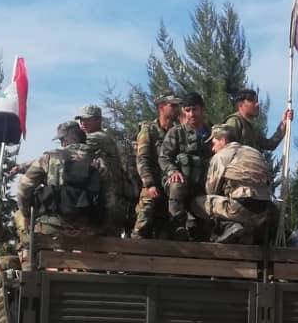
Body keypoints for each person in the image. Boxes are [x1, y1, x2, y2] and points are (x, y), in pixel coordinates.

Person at [14, 121, 106, 242]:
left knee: (19, 219)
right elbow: (108, 198)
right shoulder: (99, 161)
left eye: (62, 139)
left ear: (67, 139)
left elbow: (23, 188)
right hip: (88, 231)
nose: (62, 144)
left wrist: (26, 215)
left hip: (52, 228)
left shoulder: (48, 158)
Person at [199, 124, 273, 243]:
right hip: (264, 209)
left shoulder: (222, 155)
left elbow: (211, 190)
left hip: (239, 207)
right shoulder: (254, 152)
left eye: (213, 143)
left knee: (198, 203)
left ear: (222, 140)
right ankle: (246, 232)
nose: (212, 149)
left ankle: (227, 227)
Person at [159, 92, 212, 241]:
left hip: (202, 185)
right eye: (187, 110)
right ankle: (176, 225)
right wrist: (172, 171)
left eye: (194, 109)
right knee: (176, 184)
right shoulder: (176, 132)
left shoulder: (212, 133)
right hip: (181, 182)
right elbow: (164, 156)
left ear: (202, 109)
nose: (191, 114)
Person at [132, 93, 180, 239]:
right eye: (172, 105)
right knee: (145, 214)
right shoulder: (149, 130)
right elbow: (142, 159)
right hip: (153, 183)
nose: (176, 109)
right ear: (161, 107)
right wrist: (150, 184)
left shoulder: (178, 131)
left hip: (171, 184)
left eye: (177, 105)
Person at [75, 105, 128, 236]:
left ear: (98, 120)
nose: (83, 123)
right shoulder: (99, 137)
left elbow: (71, 149)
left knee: (107, 242)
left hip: (109, 201)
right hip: (107, 199)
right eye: (81, 120)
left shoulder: (97, 137)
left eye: (87, 119)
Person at [223, 88, 293, 152]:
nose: (257, 104)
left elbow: (270, 144)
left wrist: (284, 123)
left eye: (257, 101)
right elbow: (224, 146)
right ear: (241, 105)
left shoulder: (252, 130)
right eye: (253, 101)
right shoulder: (234, 121)